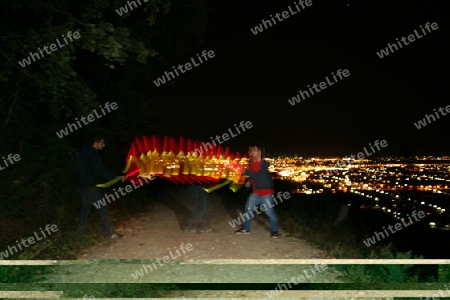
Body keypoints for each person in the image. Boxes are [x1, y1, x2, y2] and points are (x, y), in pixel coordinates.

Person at [74, 136, 126, 239]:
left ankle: (80, 232)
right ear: (95, 143)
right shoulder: (93, 154)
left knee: (86, 208)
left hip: (80, 185)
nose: (104, 145)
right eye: (102, 142)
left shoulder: (82, 152)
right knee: (103, 208)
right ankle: (109, 233)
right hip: (89, 186)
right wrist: (117, 178)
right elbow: (100, 171)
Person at [234, 143, 279, 238]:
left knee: (269, 212)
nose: (250, 152)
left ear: (259, 152)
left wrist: (244, 171)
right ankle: (246, 228)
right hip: (256, 192)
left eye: (252, 150)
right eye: (250, 150)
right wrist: (250, 181)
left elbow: (259, 175)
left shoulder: (264, 164)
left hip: (266, 192)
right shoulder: (252, 163)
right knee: (248, 209)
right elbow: (253, 175)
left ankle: (275, 231)